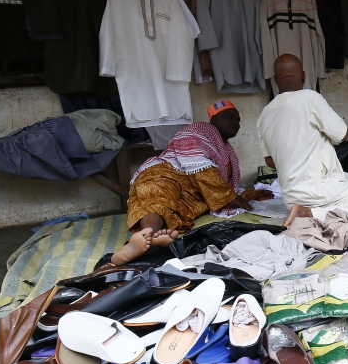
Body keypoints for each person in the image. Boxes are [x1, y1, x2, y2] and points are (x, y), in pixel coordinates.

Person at [110, 100, 273, 265]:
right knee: (157, 195)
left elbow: (226, 188)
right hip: (167, 172)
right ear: (214, 120)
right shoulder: (199, 130)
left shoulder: (227, 151)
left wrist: (252, 194)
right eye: (231, 117)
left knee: (179, 211)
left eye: (238, 120)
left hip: (192, 193)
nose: (235, 122)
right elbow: (219, 187)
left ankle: (148, 245)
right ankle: (147, 235)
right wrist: (229, 195)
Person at [258, 54, 348, 226]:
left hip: (291, 197)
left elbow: (270, 161)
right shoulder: (310, 98)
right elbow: (343, 135)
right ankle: (309, 214)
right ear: (304, 76)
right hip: (320, 192)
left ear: (275, 80)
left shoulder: (265, 114)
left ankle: (305, 209)